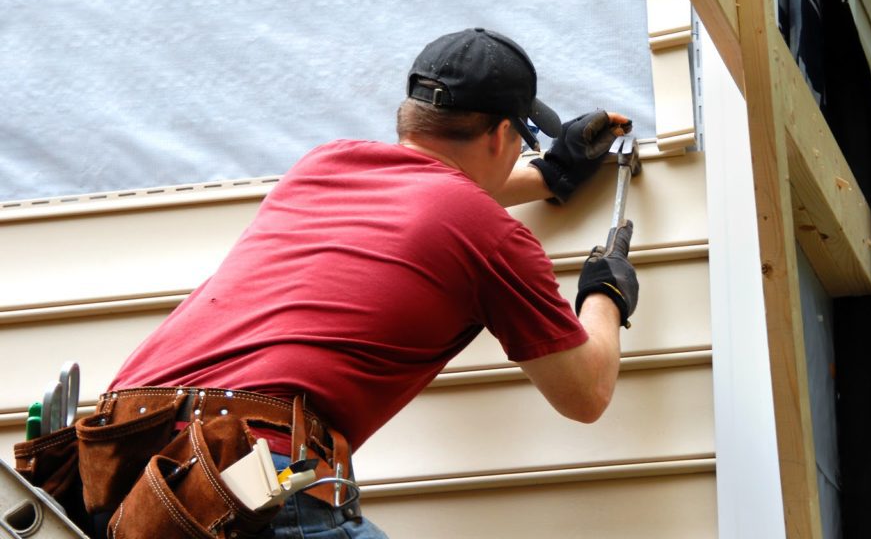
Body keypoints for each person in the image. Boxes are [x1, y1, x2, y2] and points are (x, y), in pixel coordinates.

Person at [103, 27, 640, 538]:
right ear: (503, 135)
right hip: (245, 471)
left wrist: (551, 175)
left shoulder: (323, 166)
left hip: (128, 457)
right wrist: (605, 294)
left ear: (412, 117)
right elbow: (585, 394)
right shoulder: (489, 235)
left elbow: (426, 202)